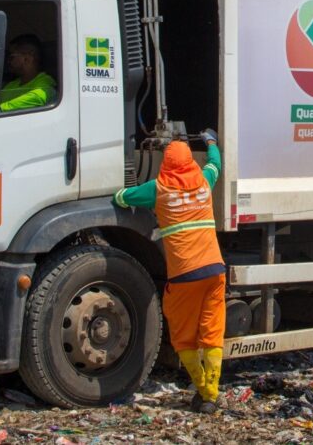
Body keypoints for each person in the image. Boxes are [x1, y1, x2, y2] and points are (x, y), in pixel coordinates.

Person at [113, 131, 225, 414]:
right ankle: (210, 393)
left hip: (185, 276)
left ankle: (204, 390)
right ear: (189, 162)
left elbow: (123, 198)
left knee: (184, 336)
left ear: (166, 162)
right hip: (215, 270)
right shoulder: (203, 181)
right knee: (212, 332)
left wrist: (117, 194)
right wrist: (210, 141)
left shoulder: (158, 188)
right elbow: (215, 163)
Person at [0, 34, 56, 112]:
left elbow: (39, 97)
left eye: (11, 57)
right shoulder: (10, 86)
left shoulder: (45, 82)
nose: (8, 61)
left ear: (27, 59)